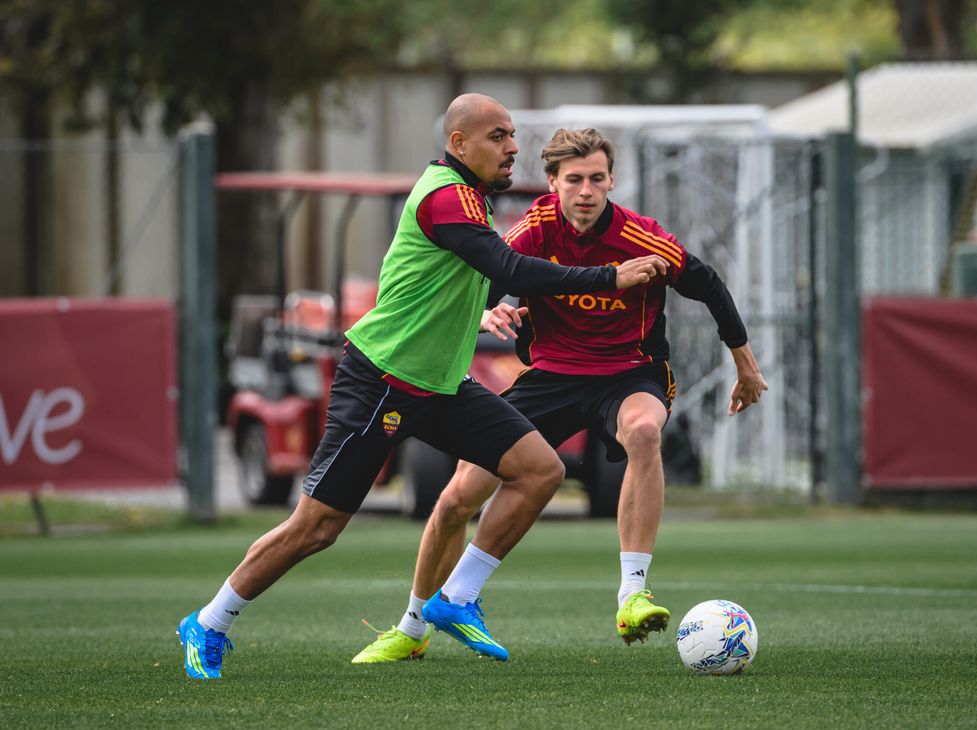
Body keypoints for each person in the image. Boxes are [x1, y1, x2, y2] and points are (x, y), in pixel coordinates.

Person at [177, 97, 668, 679]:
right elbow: (507, 270)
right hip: (383, 380)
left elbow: (473, 276)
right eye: (498, 136)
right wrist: (609, 276)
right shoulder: (444, 195)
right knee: (317, 529)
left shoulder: (471, 198)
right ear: (459, 145)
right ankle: (209, 621)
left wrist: (478, 313)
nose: (512, 147)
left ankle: (455, 598)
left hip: (440, 386)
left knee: (541, 470)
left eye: (511, 135)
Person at [352, 127, 767, 664]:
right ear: (553, 183)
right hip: (550, 376)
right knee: (457, 498)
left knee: (644, 431)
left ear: (611, 181)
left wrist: (746, 365)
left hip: (629, 374)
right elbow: (488, 279)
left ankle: (633, 595)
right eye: (574, 180)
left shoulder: (643, 238)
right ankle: (413, 627)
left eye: (597, 179)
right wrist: (488, 310)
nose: (587, 191)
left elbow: (707, 284)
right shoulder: (534, 229)